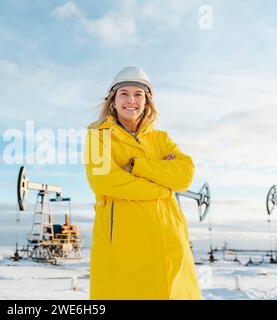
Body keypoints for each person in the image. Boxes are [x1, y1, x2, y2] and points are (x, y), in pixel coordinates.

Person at [84, 66, 201, 299]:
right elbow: (106, 182)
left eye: (139, 94)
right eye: (124, 94)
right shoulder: (97, 135)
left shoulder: (162, 139)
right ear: (113, 101)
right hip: (125, 244)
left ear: (147, 102)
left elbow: (185, 175)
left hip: (169, 241)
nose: (131, 100)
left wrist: (138, 167)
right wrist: (165, 186)